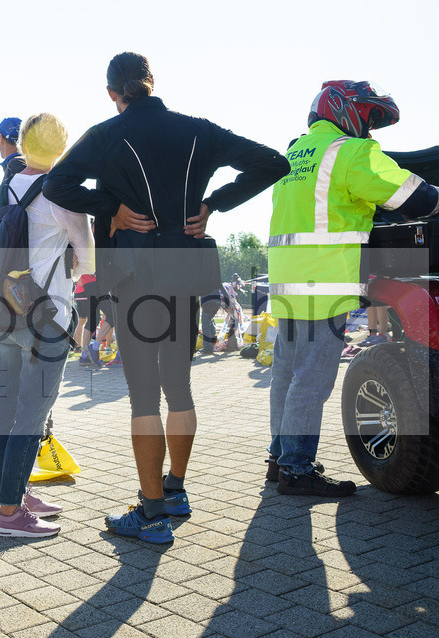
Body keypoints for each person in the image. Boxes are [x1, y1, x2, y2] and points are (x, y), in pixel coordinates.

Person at [44, 52, 288, 544]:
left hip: (136, 272)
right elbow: (272, 163)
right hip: (185, 267)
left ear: (113, 93)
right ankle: (174, 490)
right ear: (152, 83)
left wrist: (111, 208)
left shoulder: (108, 133)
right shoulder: (196, 129)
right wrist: (213, 204)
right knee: (178, 387)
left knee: (142, 395)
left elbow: (56, 184)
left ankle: (152, 513)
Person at [267, 80, 439, 496]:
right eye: (368, 120)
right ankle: (296, 470)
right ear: (345, 112)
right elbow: (411, 197)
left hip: (287, 281)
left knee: (286, 375)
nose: (370, 132)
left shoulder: (294, 153)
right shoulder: (349, 152)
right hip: (323, 283)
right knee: (312, 379)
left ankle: (279, 459)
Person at [0, 113, 95, 538]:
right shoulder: (62, 192)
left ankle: (13, 491)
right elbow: (88, 258)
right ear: (62, 150)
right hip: (45, 313)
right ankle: (10, 514)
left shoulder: (7, 183)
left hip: (3, 308)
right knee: (32, 413)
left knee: (4, 408)